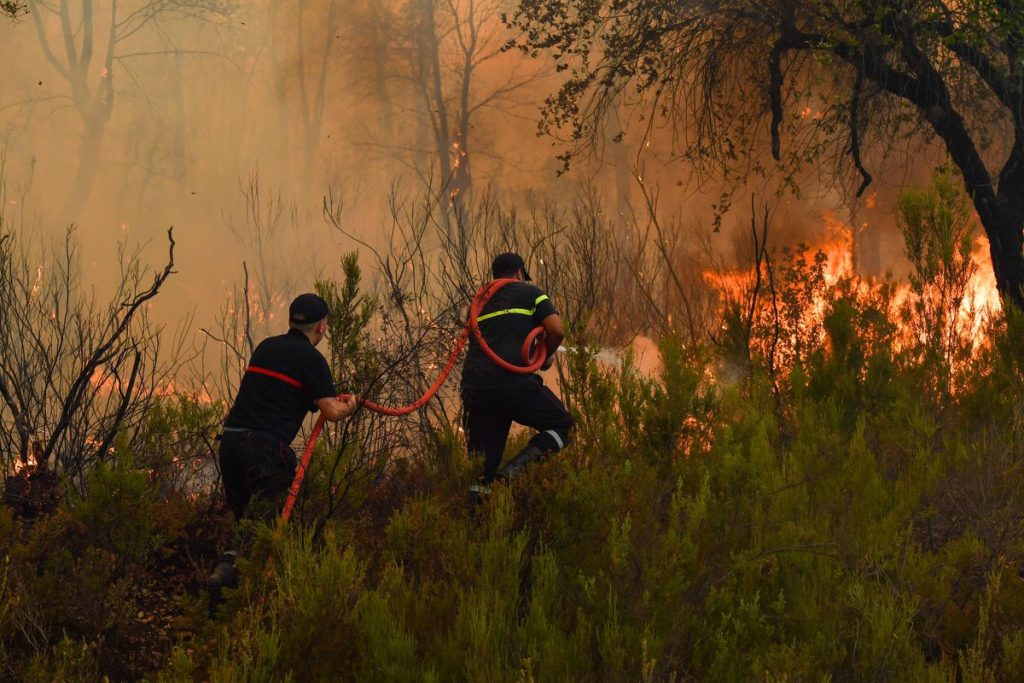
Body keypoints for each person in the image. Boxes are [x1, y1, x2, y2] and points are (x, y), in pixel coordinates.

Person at [206, 293, 357, 601]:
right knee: (270, 528)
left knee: (247, 522)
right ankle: (253, 598)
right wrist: (350, 405)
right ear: (322, 328)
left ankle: (224, 588)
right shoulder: (312, 360)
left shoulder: (266, 348)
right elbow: (331, 412)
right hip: (264, 449)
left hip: (232, 444)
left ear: (291, 321)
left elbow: (278, 392)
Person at [460, 253, 574, 500]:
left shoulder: (478, 304)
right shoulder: (531, 293)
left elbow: (496, 340)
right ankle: (511, 474)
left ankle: (476, 526)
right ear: (520, 273)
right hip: (512, 383)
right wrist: (545, 356)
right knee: (564, 426)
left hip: (475, 390)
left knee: (480, 473)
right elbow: (556, 331)